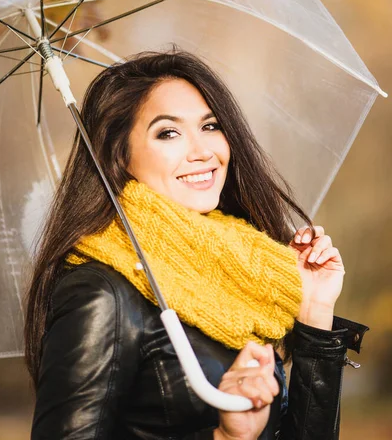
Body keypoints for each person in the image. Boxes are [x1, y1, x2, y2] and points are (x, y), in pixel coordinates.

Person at [25, 49, 368, 440]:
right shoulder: (101, 293)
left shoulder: (239, 279)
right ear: (119, 156)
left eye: (211, 126)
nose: (203, 152)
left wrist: (314, 312)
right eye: (168, 132)